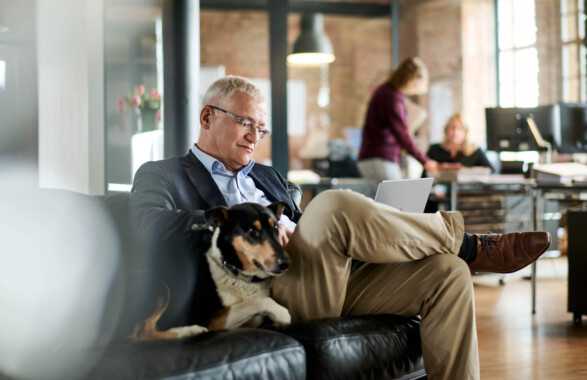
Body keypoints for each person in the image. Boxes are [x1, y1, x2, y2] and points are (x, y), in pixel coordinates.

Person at [129, 75, 551, 380]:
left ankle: (460, 254)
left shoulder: (270, 177)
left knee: (447, 274)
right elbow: (150, 228)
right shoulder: (164, 174)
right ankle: (471, 244)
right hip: (261, 290)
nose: (255, 135)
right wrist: (247, 227)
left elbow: (311, 231)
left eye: (261, 128)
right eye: (246, 123)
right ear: (207, 117)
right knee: (331, 203)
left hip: (326, 277)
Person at [357, 57, 438, 183]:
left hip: (370, 157)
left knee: (377, 201)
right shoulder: (392, 97)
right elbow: (402, 133)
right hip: (381, 158)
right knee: (395, 201)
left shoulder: (385, 92)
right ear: (413, 79)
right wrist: (424, 160)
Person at [425, 113, 494, 174]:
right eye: (452, 128)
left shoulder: (475, 150)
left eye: (460, 128)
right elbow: (424, 176)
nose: (455, 133)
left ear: (466, 132)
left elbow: (491, 171)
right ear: (446, 130)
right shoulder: (434, 149)